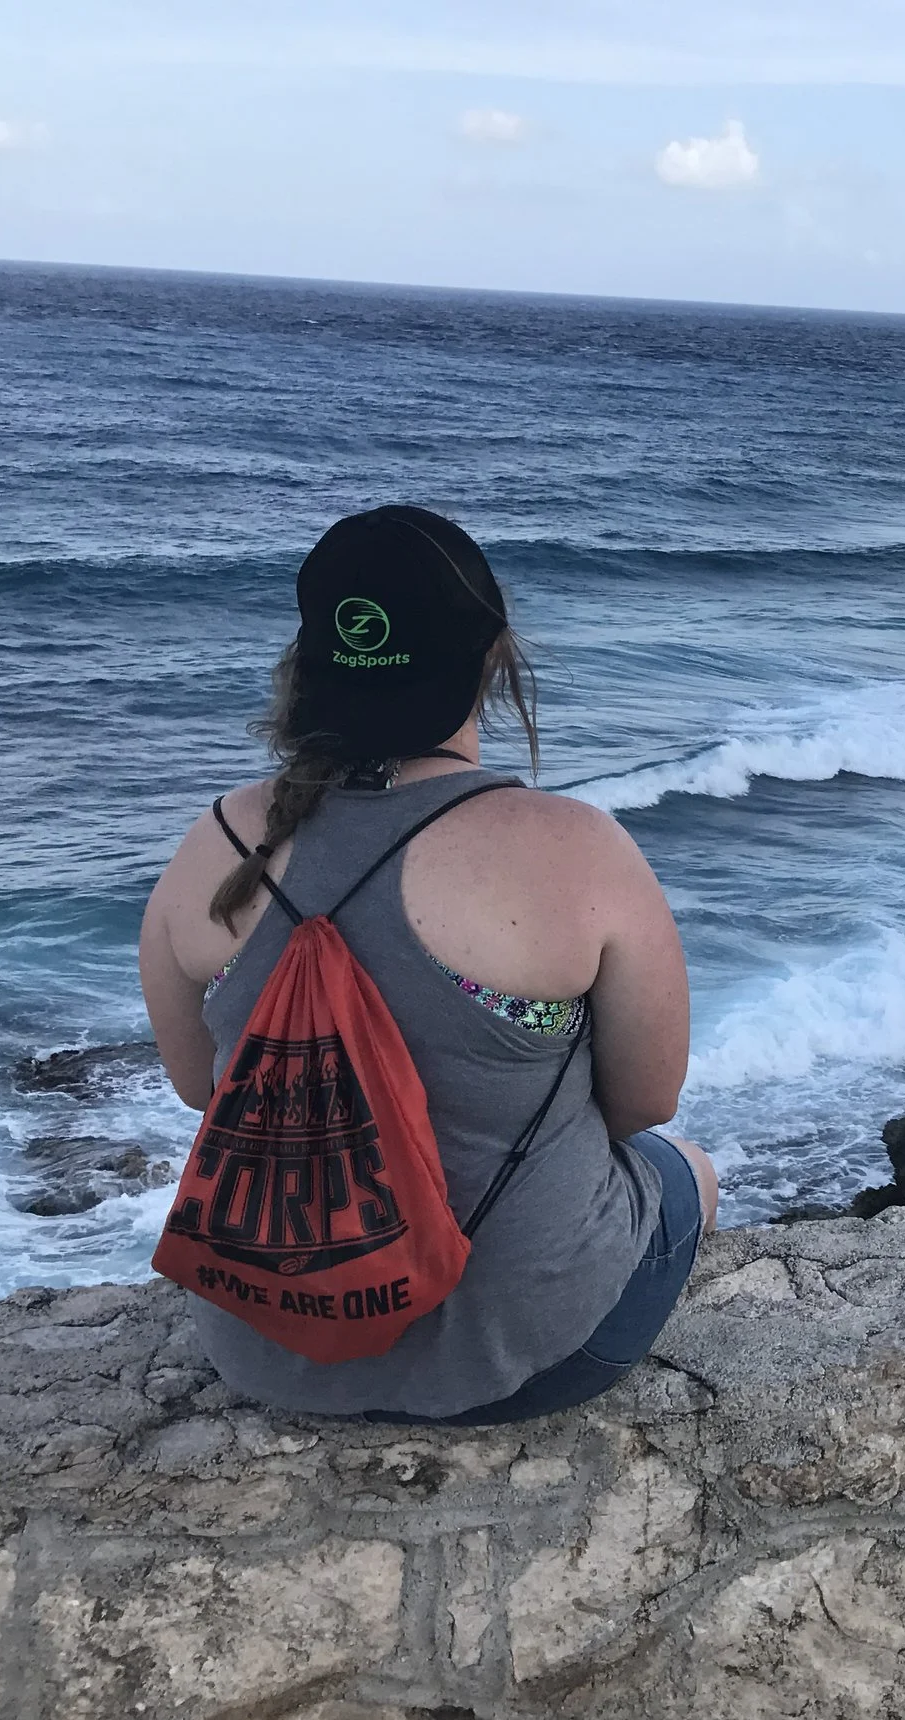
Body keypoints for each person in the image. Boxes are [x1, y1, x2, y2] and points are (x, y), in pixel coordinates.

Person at [138, 505, 715, 1424]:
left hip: (266, 1345)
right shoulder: (576, 848)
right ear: (492, 659)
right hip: (529, 1356)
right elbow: (646, 1100)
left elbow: (203, 1086)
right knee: (682, 1168)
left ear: (310, 663)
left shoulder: (214, 841)